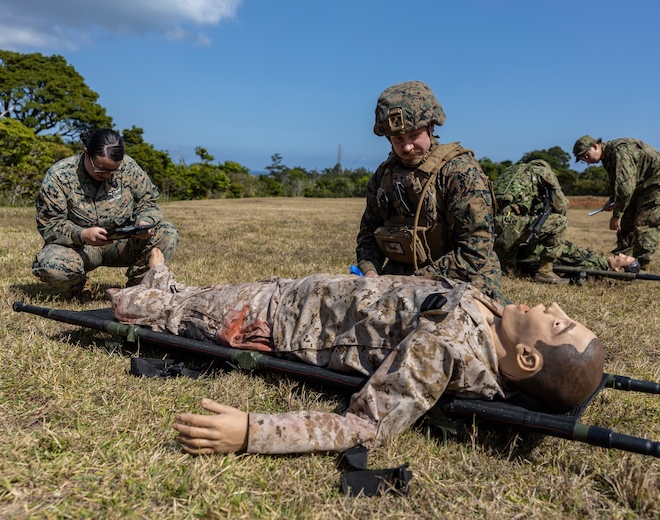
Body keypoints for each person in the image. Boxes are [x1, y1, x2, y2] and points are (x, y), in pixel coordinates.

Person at [107, 249, 604, 456]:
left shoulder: (443, 349)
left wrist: (251, 432)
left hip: (273, 317)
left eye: (558, 323)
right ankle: (164, 281)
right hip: (294, 293)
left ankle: (148, 289)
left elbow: (366, 425)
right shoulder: (494, 320)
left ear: (528, 360)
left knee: (148, 310)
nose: (553, 305)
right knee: (194, 296)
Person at [355, 80, 504, 302]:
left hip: (460, 281)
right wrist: (370, 271)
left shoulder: (460, 173)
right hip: (400, 281)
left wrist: (412, 281)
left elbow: (476, 252)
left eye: (414, 135)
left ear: (431, 127)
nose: (407, 147)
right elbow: (368, 235)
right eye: (398, 139)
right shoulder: (384, 176)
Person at [32, 129, 179, 298]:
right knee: (50, 264)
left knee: (167, 233)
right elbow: (50, 224)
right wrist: (82, 234)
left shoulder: (129, 168)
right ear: (86, 153)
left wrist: (144, 223)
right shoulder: (60, 175)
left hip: (122, 242)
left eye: (113, 171)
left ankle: (136, 290)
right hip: (81, 247)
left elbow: (148, 203)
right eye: (101, 170)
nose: (108, 176)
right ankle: (79, 289)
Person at [572, 135, 660, 271]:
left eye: (586, 156)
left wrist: (616, 215)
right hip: (639, 186)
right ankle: (623, 261)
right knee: (626, 223)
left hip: (659, 183)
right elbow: (618, 183)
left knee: (645, 223)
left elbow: (625, 188)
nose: (586, 162)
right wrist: (612, 200)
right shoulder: (607, 157)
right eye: (582, 160)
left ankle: (641, 266)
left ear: (595, 146)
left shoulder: (619, 152)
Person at [493, 159, 570, 284]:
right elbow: (561, 206)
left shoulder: (510, 171)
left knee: (508, 272)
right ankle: (545, 272)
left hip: (491, 224)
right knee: (560, 222)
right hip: (511, 225)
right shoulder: (542, 171)